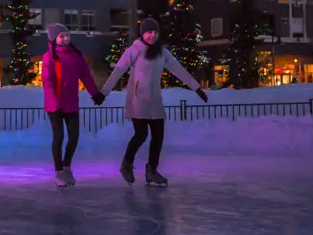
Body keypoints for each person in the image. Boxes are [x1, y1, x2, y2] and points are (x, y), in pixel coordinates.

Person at [99, 17, 208, 186]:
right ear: (142, 33)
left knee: (158, 136)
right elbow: (118, 71)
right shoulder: (134, 50)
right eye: (149, 32)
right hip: (138, 100)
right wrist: (103, 92)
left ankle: (152, 170)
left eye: (155, 33)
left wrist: (196, 87)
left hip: (155, 101)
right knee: (141, 134)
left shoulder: (161, 52)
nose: (152, 36)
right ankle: (126, 164)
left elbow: (178, 69)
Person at [41, 24, 105, 187]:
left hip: (71, 103)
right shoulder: (49, 57)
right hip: (54, 104)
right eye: (62, 36)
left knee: (74, 136)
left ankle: (67, 166)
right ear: (54, 39)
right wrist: (54, 102)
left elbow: (85, 75)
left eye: (67, 35)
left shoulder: (76, 56)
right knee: (59, 137)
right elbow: (47, 82)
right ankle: (58, 172)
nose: (66, 38)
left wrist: (94, 93)